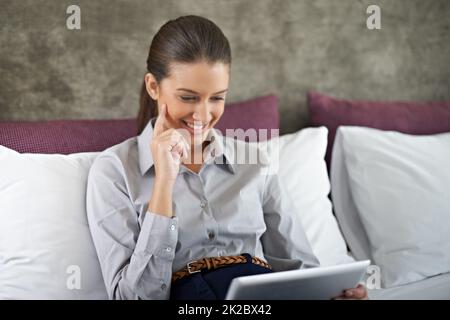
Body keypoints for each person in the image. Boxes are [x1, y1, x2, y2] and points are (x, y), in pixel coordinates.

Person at [86, 15, 368, 300]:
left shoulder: (254, 160)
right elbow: (131, 298)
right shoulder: (114, 171)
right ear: (153, 86)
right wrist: (163, 185)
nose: (203, 115)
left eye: (217, 98)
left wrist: (333, 295)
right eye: (188, 97)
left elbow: (300, 269)